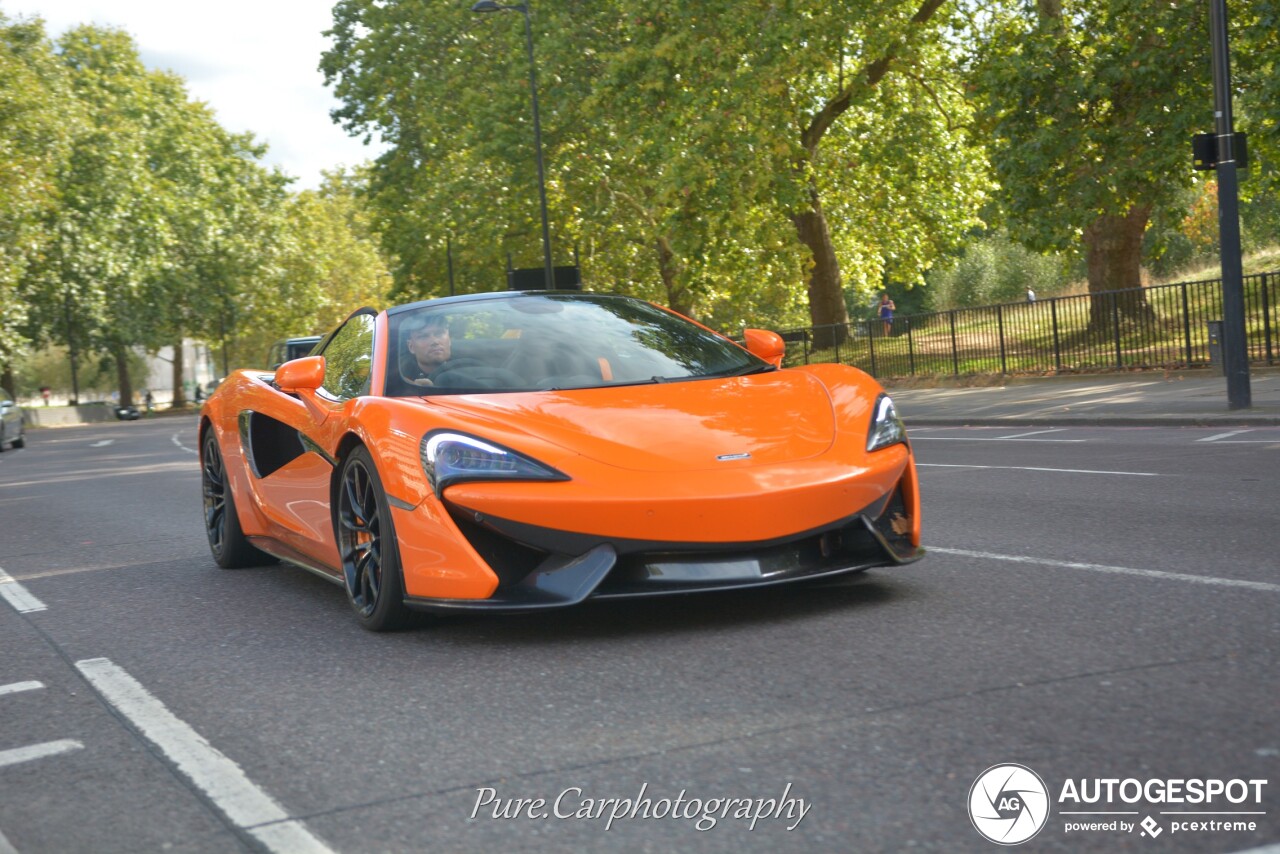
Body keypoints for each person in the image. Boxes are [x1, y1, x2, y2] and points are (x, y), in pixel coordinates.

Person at [402, 314, 456, 387]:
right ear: (411, 346)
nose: (434, 341)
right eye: (424, 336)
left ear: (449, 340)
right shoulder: (401, 379)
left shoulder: (466, 368)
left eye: (439, 333)